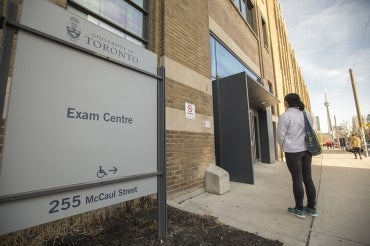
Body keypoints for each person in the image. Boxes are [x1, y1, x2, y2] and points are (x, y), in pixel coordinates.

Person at [277, 93, 318, 219]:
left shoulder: (285, 116)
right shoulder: (307, 115)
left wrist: (284, 146)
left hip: (293, 152)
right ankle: (312, 208)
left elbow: (280, 135)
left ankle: (299, 209)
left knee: (297, 179)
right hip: (307, 151)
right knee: (308, 179)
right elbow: (311, 131)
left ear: (286, 102)